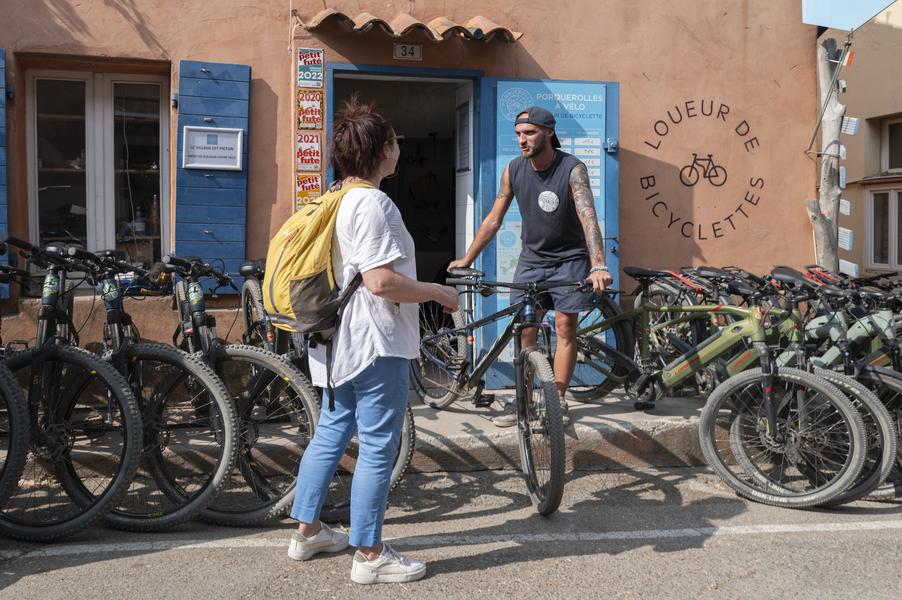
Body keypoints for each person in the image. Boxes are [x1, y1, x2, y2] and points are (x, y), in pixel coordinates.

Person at [287, 96, 459, 584]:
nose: (399, 148)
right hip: (373, 340)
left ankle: (307, 531)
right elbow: (381, 282)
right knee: (380, 443)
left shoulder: (337, 198)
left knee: (333, 428)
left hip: (335, 341)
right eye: (394, 141)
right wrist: (437, 292)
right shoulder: (374, 203)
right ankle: (369, 553)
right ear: (382, 150)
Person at [448, 106, 613, 427]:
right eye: (519, 135)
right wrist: (468, 258)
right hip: (533, 261)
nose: (522, 140)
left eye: (529, 133)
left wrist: (598, 264)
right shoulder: (513, 170)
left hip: (570, 261)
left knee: (566, 327)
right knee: (525, 330)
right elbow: (494, 218)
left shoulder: (572, 169)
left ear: (548, 132)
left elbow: (587, 216)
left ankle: (559, 402)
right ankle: (522, 401)